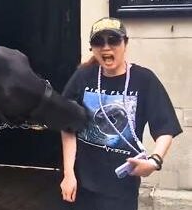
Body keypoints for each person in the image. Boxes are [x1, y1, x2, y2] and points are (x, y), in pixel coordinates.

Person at [60, 17, 182, 210]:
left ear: (125, 43)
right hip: (81, 184)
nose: (106, 47)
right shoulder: (83, 76)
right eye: (99, 41)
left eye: (113, 40)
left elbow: (164, 127)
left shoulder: (144, 79)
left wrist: (154, 161)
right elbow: (67, 127)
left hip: (121, 188)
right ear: (92, 47)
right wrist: (68, 174)